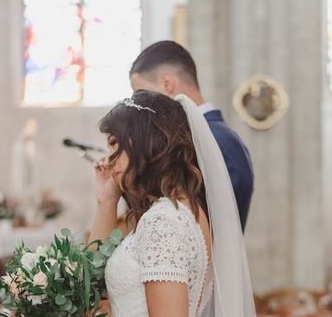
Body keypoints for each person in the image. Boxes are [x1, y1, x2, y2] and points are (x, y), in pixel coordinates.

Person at [88, 90, 255, 317]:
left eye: (115, 143)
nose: (108, 160)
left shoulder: (162, 221)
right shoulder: (186, 210)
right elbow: (90, 278)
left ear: (144, 141)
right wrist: (107, 199)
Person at [129, 41, 254, 231]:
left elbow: (221, 228)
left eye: (142, 93)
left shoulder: (221, 141)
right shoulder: (195, 136)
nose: (142, 105)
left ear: (167, 83)